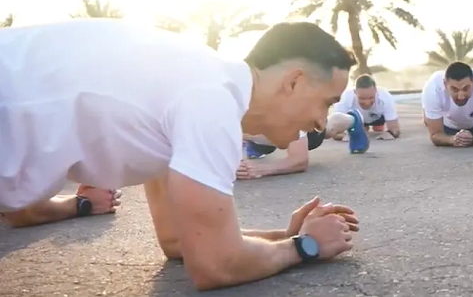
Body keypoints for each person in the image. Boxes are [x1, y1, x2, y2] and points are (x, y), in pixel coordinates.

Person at [0, 19, 360, 290]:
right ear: (294, 81)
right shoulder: (213, 100)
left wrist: (283, 235)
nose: (321, 122)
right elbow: (215, 264)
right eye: (326, 102)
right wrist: (306, 245)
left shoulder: (197, 81)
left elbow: (177, 240)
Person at [238, 112, 369, 179]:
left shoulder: (285, 112)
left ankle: (352, 119)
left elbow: (299, 161)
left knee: (327, 129)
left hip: (307, 132)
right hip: (261, 137)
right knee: (259, 144)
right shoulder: (231, 113)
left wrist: (261, 169)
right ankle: (257, 145)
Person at [421, 61, 473, 147]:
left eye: (466, 89)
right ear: (445, 84)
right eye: (454, 89)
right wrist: (452, 140)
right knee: (428, 121)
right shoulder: (432, 89)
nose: (461, 96)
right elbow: (435, 135)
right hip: (447, 126)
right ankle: (427, 115)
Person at [331, 74, 400, 140]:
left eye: (371, 98)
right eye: (362, 98)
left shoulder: (385, 96)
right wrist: (344, 136)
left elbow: (395, 129)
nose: (367, 103)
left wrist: (390, 133)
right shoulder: (345, 98)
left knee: (378, 129)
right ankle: (363, 126)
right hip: (356, 118)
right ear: (355, 92)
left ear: (376, 91)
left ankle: (377, 125)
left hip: (378, 117)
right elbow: (334, 131)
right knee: (360, 130)